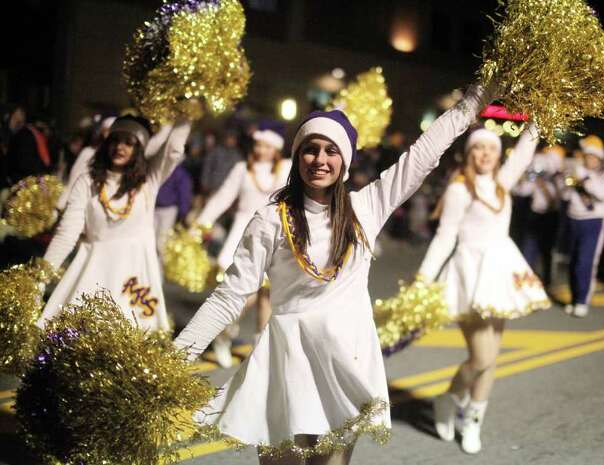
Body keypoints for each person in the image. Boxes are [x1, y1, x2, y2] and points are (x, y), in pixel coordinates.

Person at [174, 84, 494, 465]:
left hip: (345, 360)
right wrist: (174, 359)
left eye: (331, 150)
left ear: (345, 159)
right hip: (286, 362)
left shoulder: (367, 206)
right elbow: (229, 296)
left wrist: (482, 94)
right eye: (310, 148)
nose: (320, 159)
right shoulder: (270, 220)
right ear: (296, 156)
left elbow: (425, 151)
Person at [419, 125, 548, 455]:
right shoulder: (459, 189)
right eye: (479, 148)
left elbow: (523, 153)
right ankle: (448, 399)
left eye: (491, 148)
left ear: (497, 153)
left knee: (492, 360)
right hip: (468, 273)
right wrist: (423, 279)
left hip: (501, 272)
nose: (486, 154)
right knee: (481, 356)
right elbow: (445, 236)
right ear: (470, 154)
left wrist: (541, 116)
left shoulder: (502, 184)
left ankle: (473, 419)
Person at [37, 116, 191, 332]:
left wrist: (187, 110)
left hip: (134, 282)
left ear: (140, 149)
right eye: (115, 140)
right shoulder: (88, 182)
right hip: (93, 278)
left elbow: (174, 149)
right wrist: (40, 279)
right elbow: (66, 234)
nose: (120, 147)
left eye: (129, 143)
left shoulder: (148, 181)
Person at [195, 127, 290, 367]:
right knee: (242, 295)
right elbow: (222, 198)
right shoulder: (242, 169)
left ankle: (260, 347)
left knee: (267, 295)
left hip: (274, 235)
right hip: (243, 233)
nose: (262, 150)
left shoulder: (286, 169)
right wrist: (201, 223)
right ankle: (224, 335)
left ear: (276, 149)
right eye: (259, 145)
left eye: (268, 146)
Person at [562, 135, 604, 317]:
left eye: (593, 157)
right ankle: (574, 298)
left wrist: (585, 180)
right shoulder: (576, 170)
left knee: (585, 262)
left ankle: (582, 300)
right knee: (572, 262)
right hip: (574, 219)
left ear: (599, 158)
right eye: (587, 156)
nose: (589, 159)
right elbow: (564, 195)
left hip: (595, 220)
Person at [519, 145, 565, 287]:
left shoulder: (559, 178)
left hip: (551, 215)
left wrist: (553, 178)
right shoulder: (537, 174)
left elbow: (563, 195)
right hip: (535, 214)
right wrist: (524, 178)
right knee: (529, 248)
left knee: (547, 250)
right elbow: (523, 191)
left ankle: (547, 282)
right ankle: (525, 280)